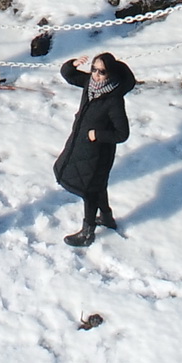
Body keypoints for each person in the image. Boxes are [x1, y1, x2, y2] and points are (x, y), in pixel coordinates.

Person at [55, 51, 133, 245]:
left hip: (99, 153)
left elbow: (122, 134)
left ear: (111, 74)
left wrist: (97, 135)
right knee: (98, 185)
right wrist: (72, 64)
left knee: (89, 189)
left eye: (102, 72)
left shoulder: (113, 100)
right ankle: (106, 217)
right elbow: (69, 75)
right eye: (94, 69)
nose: (96, 75)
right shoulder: (90, 85)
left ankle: (87, 232)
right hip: (82, 146)